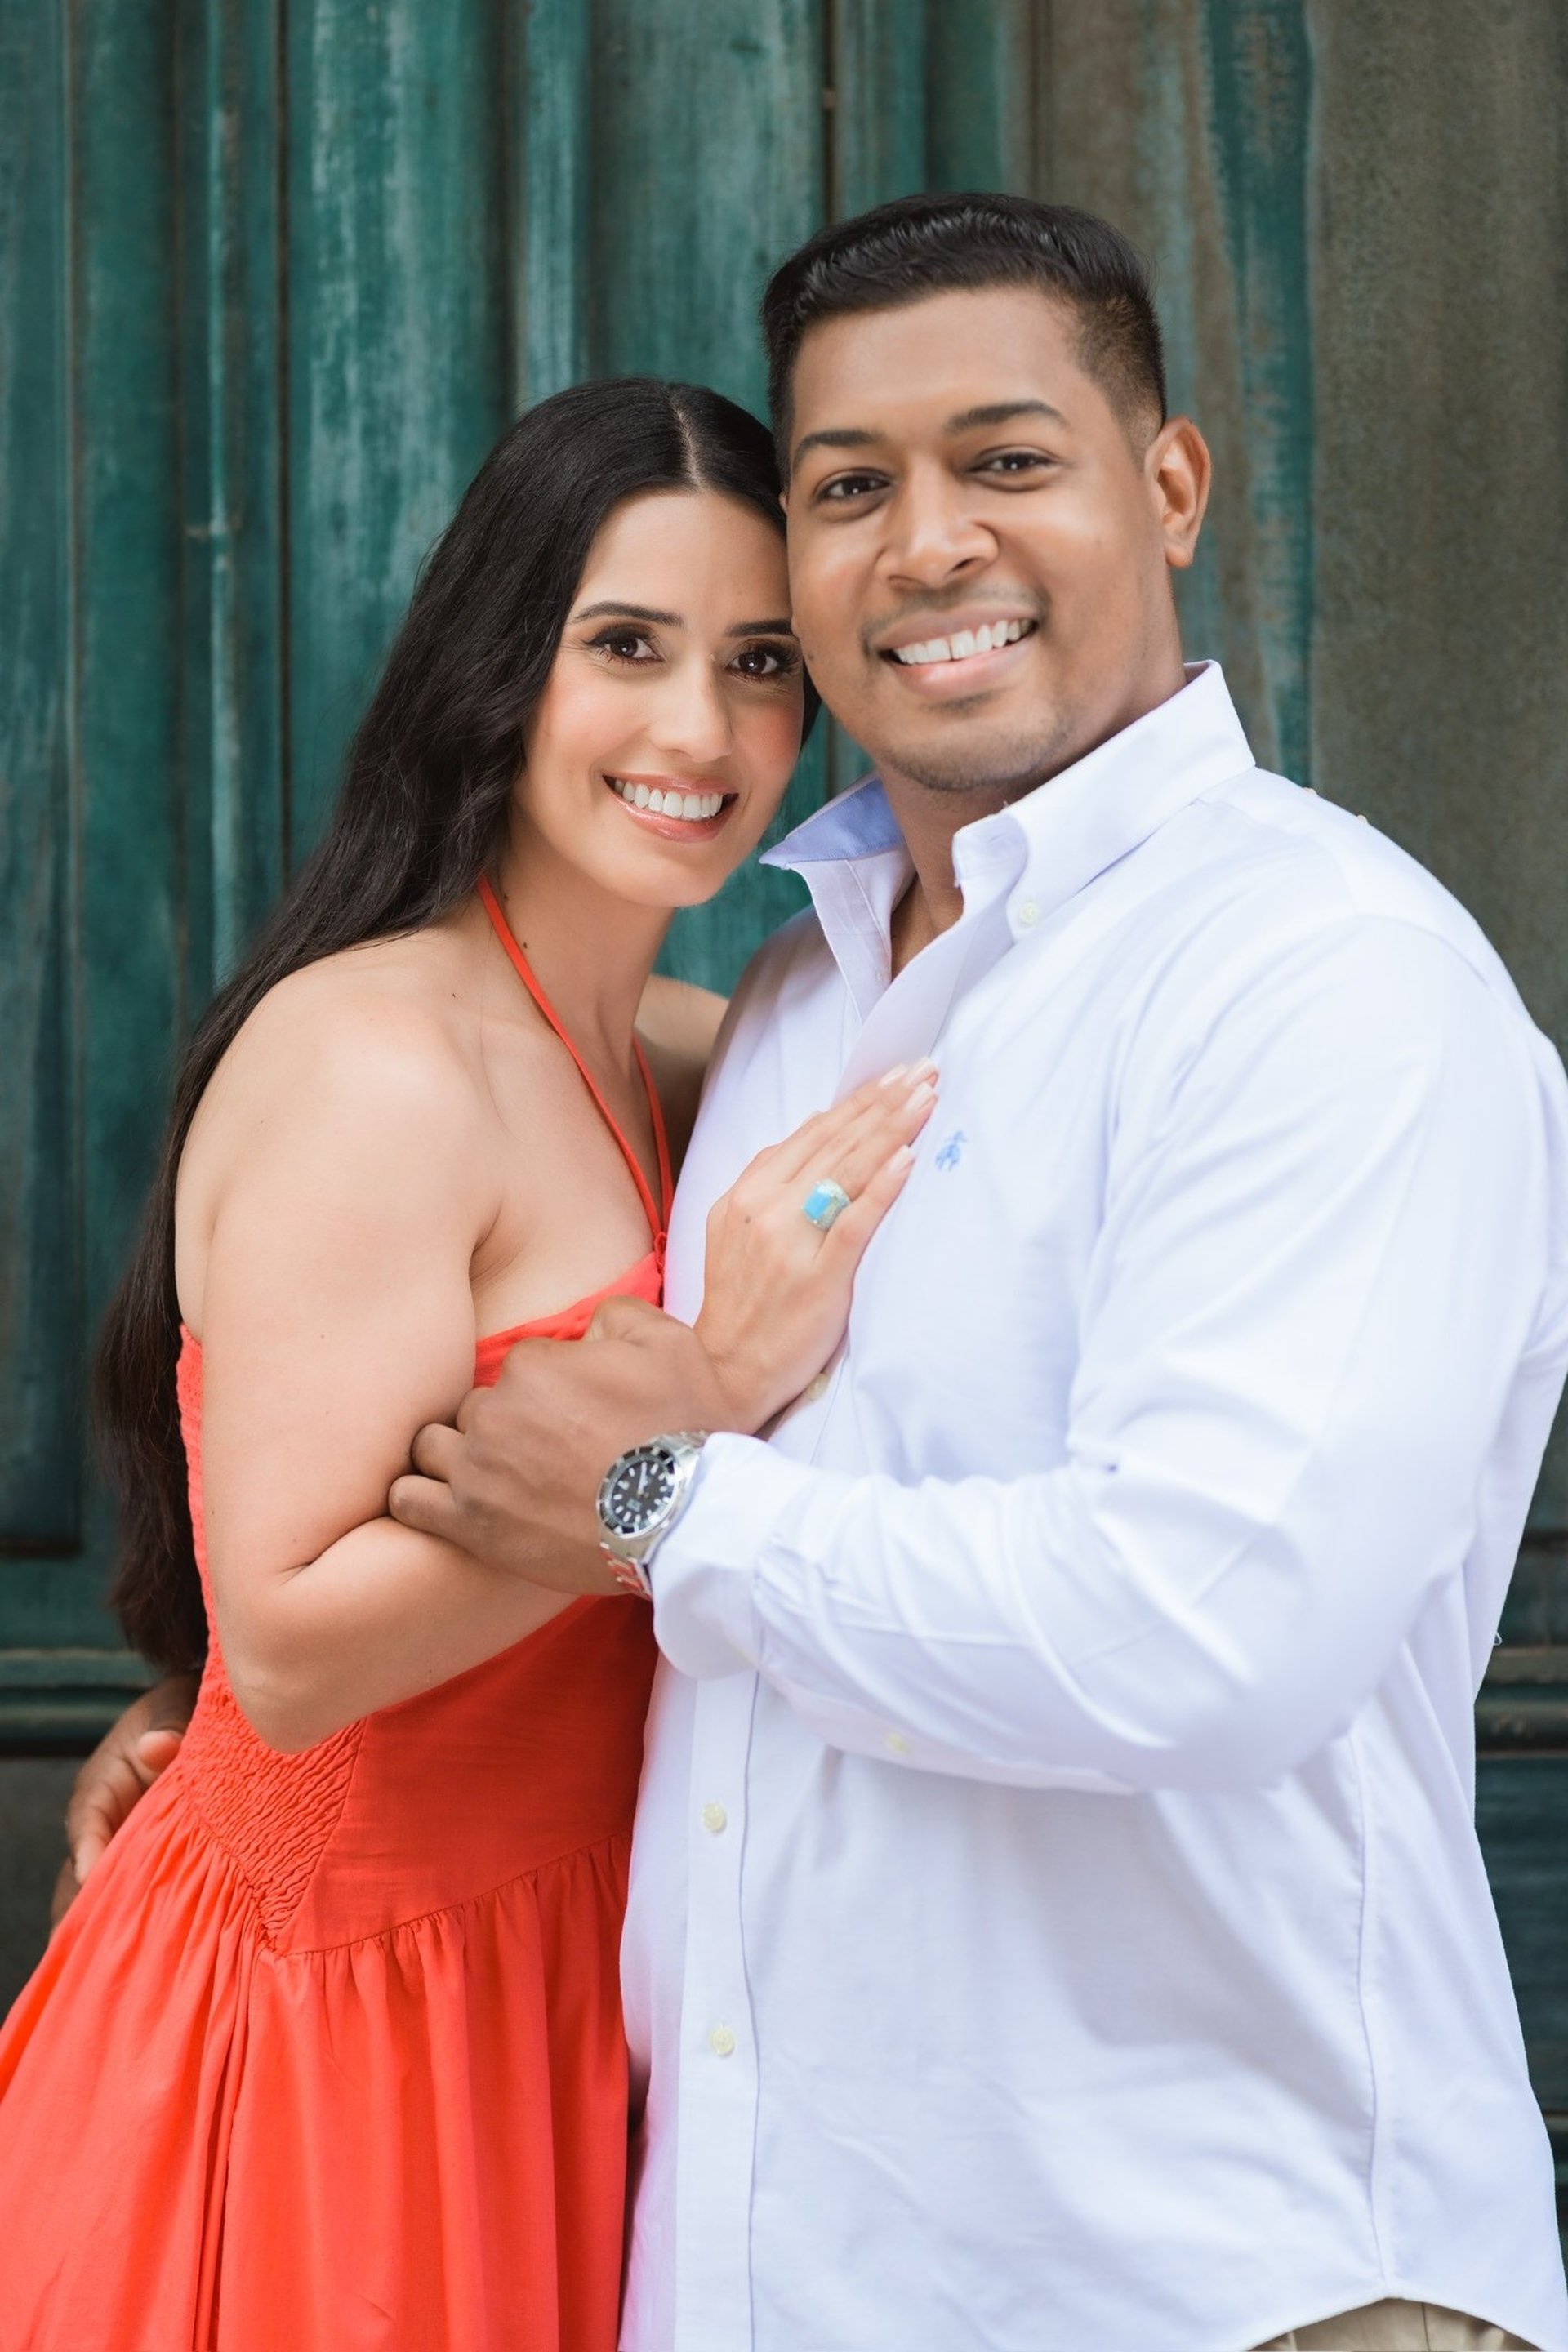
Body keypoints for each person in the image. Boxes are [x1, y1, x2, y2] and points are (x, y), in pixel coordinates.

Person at [66, 194, 1568, 2352]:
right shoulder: (794, 1008)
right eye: (854, 487)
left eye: (1010, 459)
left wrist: (662, 1492)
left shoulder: (1315, 980)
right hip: (690, 2210)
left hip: (1204, 2281)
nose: (927, 542)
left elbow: (1202, 1633)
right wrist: (235, 1732)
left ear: (1172, 485)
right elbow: (353, 1559)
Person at [0, 376, 932, 2350]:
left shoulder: (716, 1052)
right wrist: (703, 1400)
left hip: (594, 1979)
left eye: (761, 663)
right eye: (628, 647)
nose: (703, 730)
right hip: (345, 2005)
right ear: (503, 664)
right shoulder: (377, 1061)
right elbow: (305, 1645)